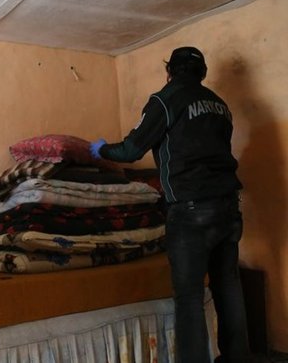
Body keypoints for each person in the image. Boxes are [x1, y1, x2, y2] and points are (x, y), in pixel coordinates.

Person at [89, 47, 251, 363]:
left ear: (170, 72)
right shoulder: (220, 105)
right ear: (202, 73)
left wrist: (102, 150)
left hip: (192, 211)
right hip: (229, 207)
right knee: (228, 285)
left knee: (189, 297)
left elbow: (131, 150)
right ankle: (239, 358)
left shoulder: (165, 99)